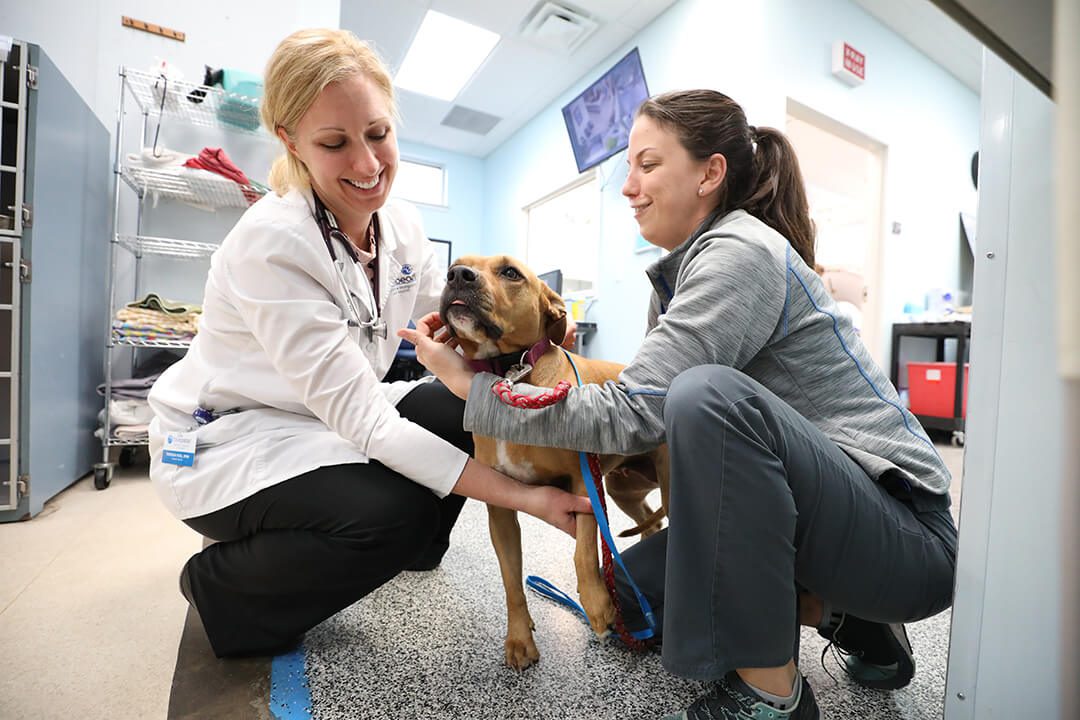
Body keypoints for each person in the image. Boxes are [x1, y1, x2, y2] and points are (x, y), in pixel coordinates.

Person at [402, 89, 958, 720]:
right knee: (636, 604)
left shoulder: (740, 254)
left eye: (648, 165)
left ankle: (771, 695)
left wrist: (471, 386)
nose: (629, 187)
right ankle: (844, 612)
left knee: (704, 394)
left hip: (906, 536)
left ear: (709, 174)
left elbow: (635, 414)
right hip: (836, 523)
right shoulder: (679, 278)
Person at [146, 28, 591, 659]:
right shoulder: (271, 244)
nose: (367, 164)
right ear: (291, 143)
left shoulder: (399, 226)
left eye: (378, 134)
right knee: (394, 513)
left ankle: (402, 551)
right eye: (334, 143)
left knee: (460, 404)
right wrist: (527, 498)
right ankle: (224, 588)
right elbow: (366, 423)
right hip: (229, 441)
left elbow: (448, 300)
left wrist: (541, 324)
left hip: (324, 419)